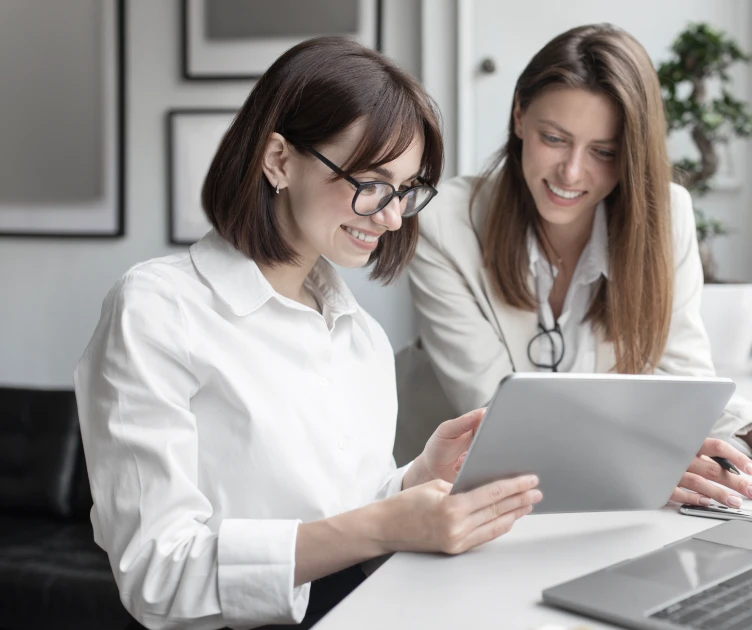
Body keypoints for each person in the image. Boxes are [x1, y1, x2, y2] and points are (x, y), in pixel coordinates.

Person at [74, 37, 541, 630]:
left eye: (405, 190)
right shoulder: (158, 310)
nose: (393, 216)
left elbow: (342, 517)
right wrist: (386, 524)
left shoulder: (360, 337)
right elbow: (157, 576)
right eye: (370, 181)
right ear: (278, 160)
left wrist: (417, 479)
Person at [395, 24, 752, 510]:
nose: (571, 172)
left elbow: (682, 383)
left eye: (603, 152)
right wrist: (644, 459)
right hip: (449, 498)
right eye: (554, 138)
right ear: (519, 116)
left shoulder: (665, 217)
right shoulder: (442, 224)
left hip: (592, 498)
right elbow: (493, 413)